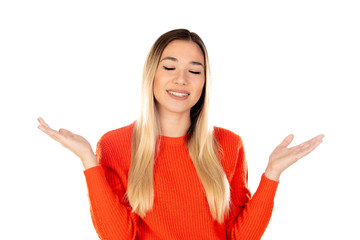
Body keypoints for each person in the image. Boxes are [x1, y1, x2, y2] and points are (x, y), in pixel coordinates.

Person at [38, 29, 324, 240]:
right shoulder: (114, 145)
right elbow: (118, 237)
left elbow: (239, 237)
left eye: (194, 71)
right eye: (170, 67)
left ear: (204, 83)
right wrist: (88, 160)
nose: (181, 79)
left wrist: (272, 173)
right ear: (152, 74)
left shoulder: (229, 144)